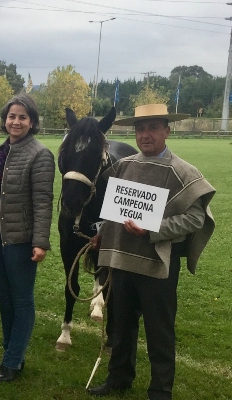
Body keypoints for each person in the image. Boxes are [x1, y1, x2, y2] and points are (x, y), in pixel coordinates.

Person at [87, 104, 215, 400]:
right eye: (140, 129)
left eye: (153, 128)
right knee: (122, 327)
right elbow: (116, 209)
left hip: (157, 266)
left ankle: (160, 390)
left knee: (159, 332)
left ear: (167, 131)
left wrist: (153, 230)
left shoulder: (182, 172)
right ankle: (119, 377)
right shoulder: (124, 165)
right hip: (121, 260)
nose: (145, 135)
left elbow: (196, 218)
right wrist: (103, 233)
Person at [0, 94, 54, 382]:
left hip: (21, 240)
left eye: (22, 117)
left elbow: (43, 202)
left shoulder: (40, 154)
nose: (16, 121)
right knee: (5, 299)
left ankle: (13, 361)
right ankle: (11, 357)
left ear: (31, 121)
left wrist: (40, 242)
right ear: (5, 120)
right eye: (12, 116)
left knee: (21, 301)